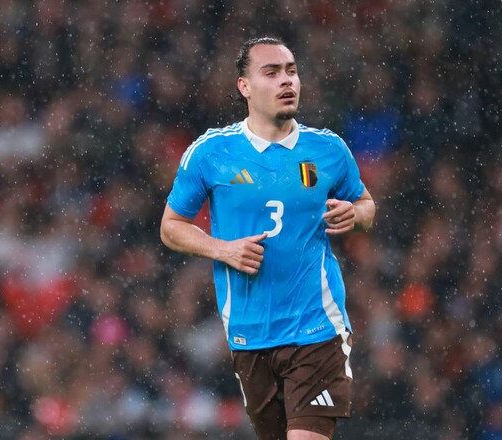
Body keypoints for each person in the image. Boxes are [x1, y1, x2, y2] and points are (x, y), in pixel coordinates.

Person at [160, 36, 376, 440]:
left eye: (291, 71)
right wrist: (223, 249)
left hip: (317, 328)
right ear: (244, 86)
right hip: (249, 333)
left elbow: (365, 205)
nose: (286, 80)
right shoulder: (210, 152)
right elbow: (171, 226)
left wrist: (356, 214)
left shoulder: (328, 149)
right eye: (272, 72)